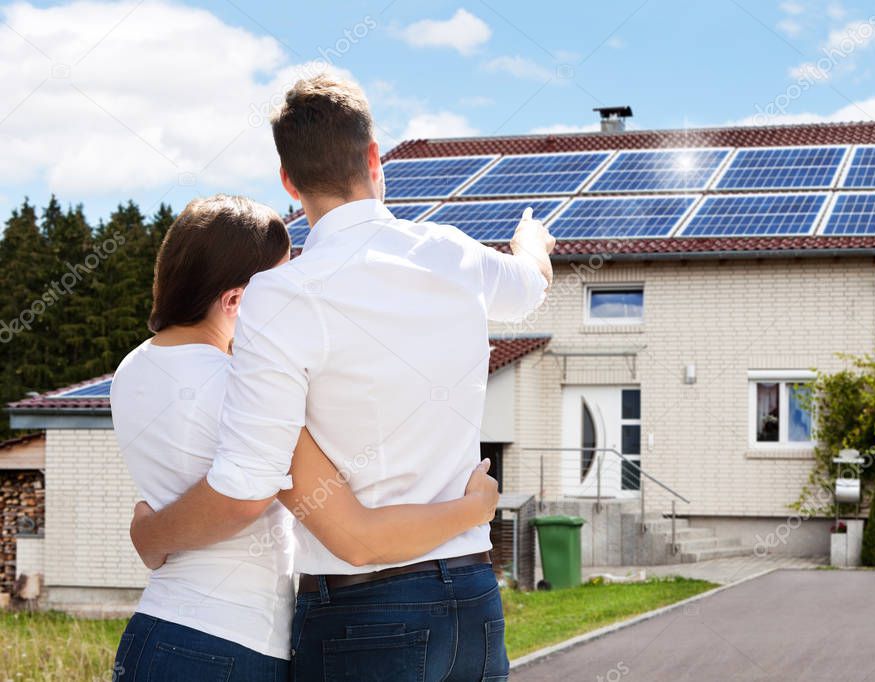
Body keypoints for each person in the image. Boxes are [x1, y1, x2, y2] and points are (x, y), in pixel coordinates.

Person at [130, 75, 555, 681]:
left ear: (289, 182)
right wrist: (530, 241)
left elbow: (249, 485)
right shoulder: (452, 253)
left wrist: (152, 535)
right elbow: (530, 285)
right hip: (471, 600)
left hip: (364, 612)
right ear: (374, 158)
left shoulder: (281, 296)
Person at [111, 194, 502, 681]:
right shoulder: (241, 387)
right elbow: (355, 536)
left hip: (155, 634)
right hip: (232, 647)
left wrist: (150, 536)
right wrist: (475, 509)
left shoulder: (131, 370)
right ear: (236, 300)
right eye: (280, 286)